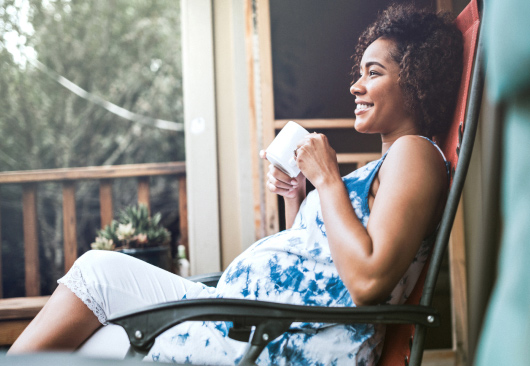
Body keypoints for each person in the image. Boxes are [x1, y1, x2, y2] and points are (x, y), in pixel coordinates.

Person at [8, 4, 463, 365]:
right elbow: (313, 262)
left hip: (280, 341)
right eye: (360, 72)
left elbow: (367, 283)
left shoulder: (416, 154)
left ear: (417, 79)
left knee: (96, 318)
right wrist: (297, 196)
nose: (355, 87)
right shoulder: (390, 162)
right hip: (254, 320)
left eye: (374, 72)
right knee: (96, 292)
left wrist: (328, 180)